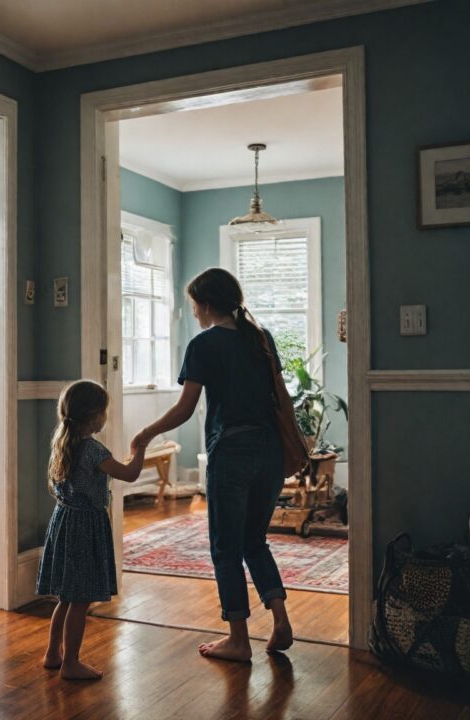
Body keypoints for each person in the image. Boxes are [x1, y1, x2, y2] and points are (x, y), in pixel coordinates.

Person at [131, 268, 293, 662]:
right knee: (255, 541)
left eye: (193, 305)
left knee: (226, 546)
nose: (194, 313)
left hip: (232, 451)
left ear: (205, 305)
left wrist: (145, 435)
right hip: (270, 449)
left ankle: (238, 638)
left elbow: (186, 409)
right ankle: (281, 620)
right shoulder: (261, 338)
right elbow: (281, 398)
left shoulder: (204, 345)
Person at [37, 380, 147, 679]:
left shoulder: (63, 442)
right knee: (81, 598)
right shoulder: (93, 450)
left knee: (67, 596)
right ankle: (71, 663)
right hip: (85, 525)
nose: (105, 416)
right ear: (94, 415)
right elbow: (130, 474)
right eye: (104, 411)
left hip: (64, 521)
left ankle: (52, 653)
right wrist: (140, 448)